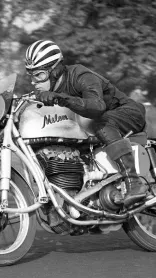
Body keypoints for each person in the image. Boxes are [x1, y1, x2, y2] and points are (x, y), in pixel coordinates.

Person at [25, 40, 148, 213]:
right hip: (97, 121)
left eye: (39, 75)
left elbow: (97, 106)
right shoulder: (43, 92)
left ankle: (134, 181)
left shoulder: (80, 75)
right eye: (31, 75)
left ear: (56, 70)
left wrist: (60, 98)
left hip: (126, 112)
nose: (34, 81)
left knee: (100, 124)